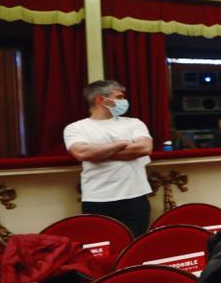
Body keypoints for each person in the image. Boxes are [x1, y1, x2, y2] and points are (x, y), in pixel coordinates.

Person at [64, 80, 154, 236]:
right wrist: (122, 143)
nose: (123, 101)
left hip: (134, 197)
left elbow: (144, 148)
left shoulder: (134, 123)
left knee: (134, 245)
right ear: (101, 99)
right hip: (96, 198)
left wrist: (98, 154)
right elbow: (82, 153)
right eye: (118, 97)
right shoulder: (75, 128)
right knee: (102, 248)